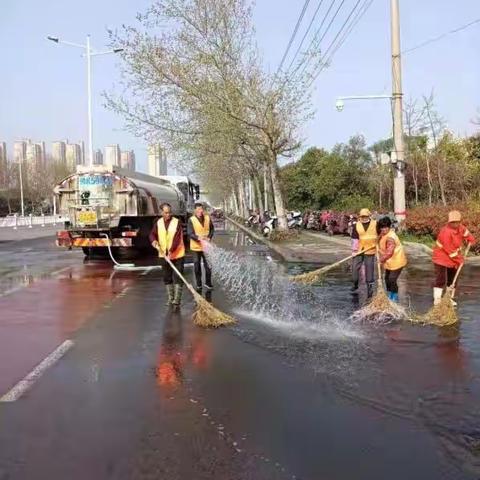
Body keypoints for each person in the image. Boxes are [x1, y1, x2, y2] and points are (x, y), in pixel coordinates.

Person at [431, 210, 475, 306]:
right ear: (449, 222)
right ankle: (437, 300)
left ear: (459, 221)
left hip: (453, 256)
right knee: (441, 279)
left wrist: (470, 238)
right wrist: (460, 259)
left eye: (456, 222)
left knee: (453, 278)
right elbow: (450, 251)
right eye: (452, 222)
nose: (455, 224)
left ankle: (448, 298)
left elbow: (466, 233)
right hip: (441, 256)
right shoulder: (446, 232)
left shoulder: (461, 228)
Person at [149, 203, 185, 307]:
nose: (168, 214)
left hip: (177, 254)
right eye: (166, 213)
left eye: (169, 212)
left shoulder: (177, 222)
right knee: (167, 277)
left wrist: (171, 251)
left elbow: (177, 238)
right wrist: (154, 241)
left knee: (178, 276)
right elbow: (152, 234)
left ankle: (177, 300)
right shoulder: (158, 222)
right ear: (161, 212)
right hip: (163, 254)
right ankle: (170, 298)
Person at [377, 216, 407, 302]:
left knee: (392, 279)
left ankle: (395, 297)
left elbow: (389, 252)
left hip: (397, 261)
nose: (384, 229)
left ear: (389, 227)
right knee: (387, 279)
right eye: (382, 227)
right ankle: (390, 295)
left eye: (386, 227)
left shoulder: (391, 237)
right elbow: (379, 239)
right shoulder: (383, 234)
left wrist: (381, 260)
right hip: (390, 262)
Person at [187, 202, 215, 291]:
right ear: (195, 211)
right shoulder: (191, 220)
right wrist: (198, 238)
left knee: (208, 265)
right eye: (198, 209)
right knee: (197, 265)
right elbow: (190, 233)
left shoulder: (207, 218)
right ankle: (199, 284)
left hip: (206, 246)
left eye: (201, 209)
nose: (200, 211)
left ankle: (208, 283)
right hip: (196, 247)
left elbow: (212, 229)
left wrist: (209, 237)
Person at [351, 208, 377, 297]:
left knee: (369, 268)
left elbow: (380, 235)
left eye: (365, 216)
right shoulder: (356, 225)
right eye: (362, 216)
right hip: (359, 250)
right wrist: (354, 251)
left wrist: (379, 244)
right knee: (354, 267)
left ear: (369, 216)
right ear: (359, 216)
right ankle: (355, 284)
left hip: (371, 249)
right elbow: (355, 239)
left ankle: (370, 287)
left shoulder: (375, 224)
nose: (364, 218)